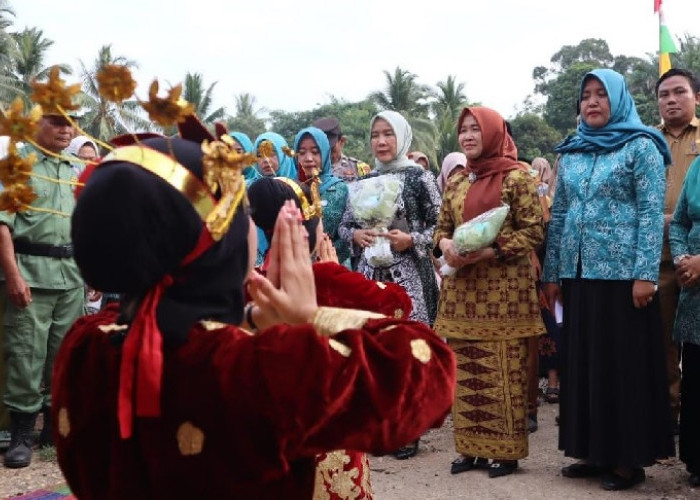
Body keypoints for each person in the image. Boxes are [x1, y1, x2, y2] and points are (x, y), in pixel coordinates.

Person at [51, 130, 456, 499]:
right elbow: (428, 369)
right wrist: (308, 317)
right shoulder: (257, 366)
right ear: (214, 240)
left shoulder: (85, 342)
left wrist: (250, 318)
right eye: (242, 212)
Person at [542, 68, 675, 491]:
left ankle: (627, 457)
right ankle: (593, 449)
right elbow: (559, 214)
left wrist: (644, 275)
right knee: (585, 364)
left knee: (623, 366)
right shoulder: (573, 152)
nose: (593, 102)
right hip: (579, 275)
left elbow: (652, 214)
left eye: (601, 94)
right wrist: (553, 273)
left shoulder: (642, 147)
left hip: (623, 279)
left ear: (617, 100)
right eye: (586, 96)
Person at [248, 175, 414, 498]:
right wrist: (341, 272)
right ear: (308, 226)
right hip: (332, 428)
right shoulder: (326, 277)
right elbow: (398, 305)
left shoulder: (256, 283)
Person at [433, 106, 544, 478]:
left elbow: (534, 230)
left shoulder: (517, 178)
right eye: (463, 130)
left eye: (475, 129)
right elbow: (440, 229)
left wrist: (492, 250)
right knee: (465, 371)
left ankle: (505, 452)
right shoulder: (457, 181)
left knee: (503, 371)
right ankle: (469, 448)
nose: (467, 136)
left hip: (504, 294)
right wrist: (445, 245)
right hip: (462, 293)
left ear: (494, 133)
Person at [338, 110, 442, 460]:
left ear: (402, 136)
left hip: (409, 276)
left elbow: (442, 227)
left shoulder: (420, 178)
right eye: (375, 135)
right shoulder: (364, 181)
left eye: (388, 134)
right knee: (375, 348)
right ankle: (381, 425)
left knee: (407, 347)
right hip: (371, 277)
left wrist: (411, 239)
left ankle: (409, 427)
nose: (381, 142)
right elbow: (344, 226)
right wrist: (356, 234)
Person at [0, 110, 85, 468]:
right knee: (25, 354)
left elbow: (85, 223)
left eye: (70, 122)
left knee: (64, 354)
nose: (65, 129)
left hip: (71, 275)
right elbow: (3, 225)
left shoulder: (75, 170)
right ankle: (21, 433)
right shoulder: (18, 165)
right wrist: (13, 275)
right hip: (31, 274)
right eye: (56, 121)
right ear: (37, 123)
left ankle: (53, 427)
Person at [656, 68, 700, 431]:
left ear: (695, 96)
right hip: (660, 260)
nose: (671, 100)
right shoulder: (645, 141)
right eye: (664, 94)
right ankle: (669, 418)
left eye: (679, 92)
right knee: (664, 345)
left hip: (698, 259)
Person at [669, 155, 700, 487]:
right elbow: (678, 222)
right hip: (694, 290)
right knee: (695, 370)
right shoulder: (697, 166)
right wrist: (683, 260)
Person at [293, 127, 351, 265]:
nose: (308, 159)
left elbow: (340, 233)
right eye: (301, 153)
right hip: (296, 265)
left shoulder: (338, 189)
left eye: (315, 152)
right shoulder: (290, 187)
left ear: (325, 154)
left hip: (333, 264)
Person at [313, 117, 371, 182]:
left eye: (331, 149)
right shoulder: (308, 169)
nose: (326, 153)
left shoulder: (358, 168)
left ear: (342, 141)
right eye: (322, 149)